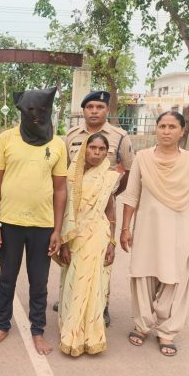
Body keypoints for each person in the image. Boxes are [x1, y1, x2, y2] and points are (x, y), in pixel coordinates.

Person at [0, 88, 67, 355]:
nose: (36, 115)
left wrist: (57, 230)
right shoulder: (6, 139)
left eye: (41, 110)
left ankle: (38, 331)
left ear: (48, 111)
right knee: (7, 278)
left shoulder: (57, 144)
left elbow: (60, 189)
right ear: (21, 111)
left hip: (43, 226)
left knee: (39, 282)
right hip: (9, 223)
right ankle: (2, 325)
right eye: (30, 110)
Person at [120, 111, 189, 357]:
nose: (166, 131)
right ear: (156, 129)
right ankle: (142, 324)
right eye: (162, 126)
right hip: (147, 226)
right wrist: (125, 228)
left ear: (182, 131)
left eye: (172, 127)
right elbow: (131, 195)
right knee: (143, 273)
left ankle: (167, 330)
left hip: (180, 228)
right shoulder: (143, 157)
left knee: (175, 276)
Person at [62, 90, 135, 327]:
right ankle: (71, 297)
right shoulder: (71, 135)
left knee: (100, 259)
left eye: (99, 107)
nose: (94, 111)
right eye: (90, 107)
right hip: (74, 208)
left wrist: (110, 194)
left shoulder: (120, 137)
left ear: (107, 110)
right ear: (83, 110)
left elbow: (130, 171)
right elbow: (64, 170)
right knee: (71, 256)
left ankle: (101, 305)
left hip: (102, 207)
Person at [56, 133, 120, 357]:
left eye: (102, 149)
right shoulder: (70, 176)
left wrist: (112, 242)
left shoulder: (108, 177)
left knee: (94, 286)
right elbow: (64, 209)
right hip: (74, 236)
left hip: (98, 236)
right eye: (93, 148)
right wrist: (64, 242)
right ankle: (71, 331)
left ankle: (91, 336)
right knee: (74, 282)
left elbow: (110, 210)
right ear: (85, 149)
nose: (97, 153)